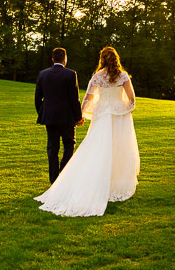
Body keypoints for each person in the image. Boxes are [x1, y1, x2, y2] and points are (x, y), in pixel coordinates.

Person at [35, 46, 140, 217]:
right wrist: (124, 110)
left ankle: (84, 181)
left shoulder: (97, 77)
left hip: (102, 116)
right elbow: (132, 99)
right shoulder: (123, 76)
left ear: (102, 59)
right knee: (120, 150)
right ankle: (115, 184)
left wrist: (81, 115)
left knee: (96, 150)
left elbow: (88, 98)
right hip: (119, 117)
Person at [34, 47, 84, 184]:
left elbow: (37, 98)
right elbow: (75, 99)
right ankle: (64, 174)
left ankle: (53, 179)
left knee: (52, 147)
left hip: (50, 118)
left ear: (52, 59)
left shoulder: (43, 74)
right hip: (67, 118)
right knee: (69, 144)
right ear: (65, 59)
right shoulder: (70, 74)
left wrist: (43, 112)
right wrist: (78, 117)